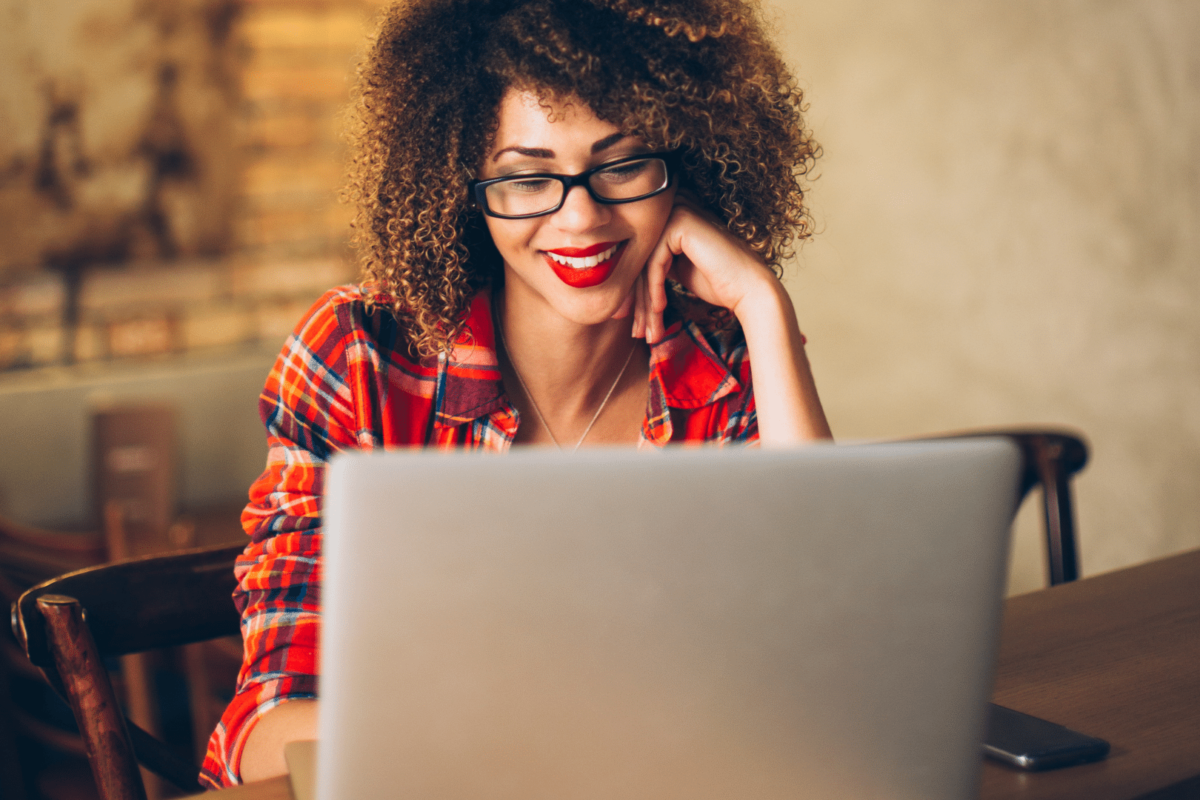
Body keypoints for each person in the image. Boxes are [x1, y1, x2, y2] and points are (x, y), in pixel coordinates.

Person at [200, 0, 832, 787]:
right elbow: (258, 738)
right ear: (464, 186)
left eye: (624, 164)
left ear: (690, 165)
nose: (582, 217)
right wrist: (531, 726)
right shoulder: (360, 359)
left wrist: (763, 304)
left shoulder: (720, 357)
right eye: (528, 177)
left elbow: (824, 661)